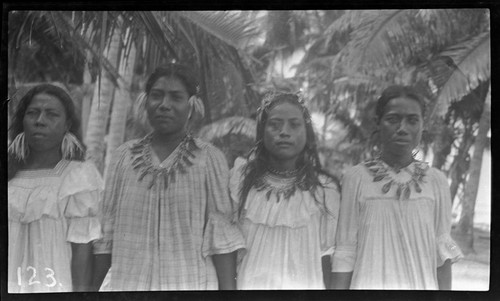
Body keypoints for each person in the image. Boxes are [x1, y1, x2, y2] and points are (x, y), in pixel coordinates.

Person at [92, 63, 246, 291]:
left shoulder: (209, 158)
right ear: (146, 102)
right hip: (129, 281)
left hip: (189, 281)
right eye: (157, 96)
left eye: (176, 97)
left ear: (191, 106)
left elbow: (221, 237)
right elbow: (107, 233)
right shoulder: (123, 156)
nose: (165, 105)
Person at [331, 85, 463, 290]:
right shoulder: (355, 177)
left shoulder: (436, 180)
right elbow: (345, 250)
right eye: (393, 119)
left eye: (412, 120)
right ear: (378, 123)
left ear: (422, 125)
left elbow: (441, 253)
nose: (402, 128)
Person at [230, 91, 340, 289]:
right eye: (275, 124)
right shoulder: (240, 180)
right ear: (262, 132)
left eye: (294, 125)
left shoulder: (324, 189)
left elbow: (327, 259)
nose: (284, 132)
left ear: (307, 133)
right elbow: (228, 249)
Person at [7, 83, 103, 292]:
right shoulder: (9, 175)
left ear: (67, 124)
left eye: (51, 114)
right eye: (33, 113)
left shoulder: (78, 177)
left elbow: (82, 252)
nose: (40, 121)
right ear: (23, 120)